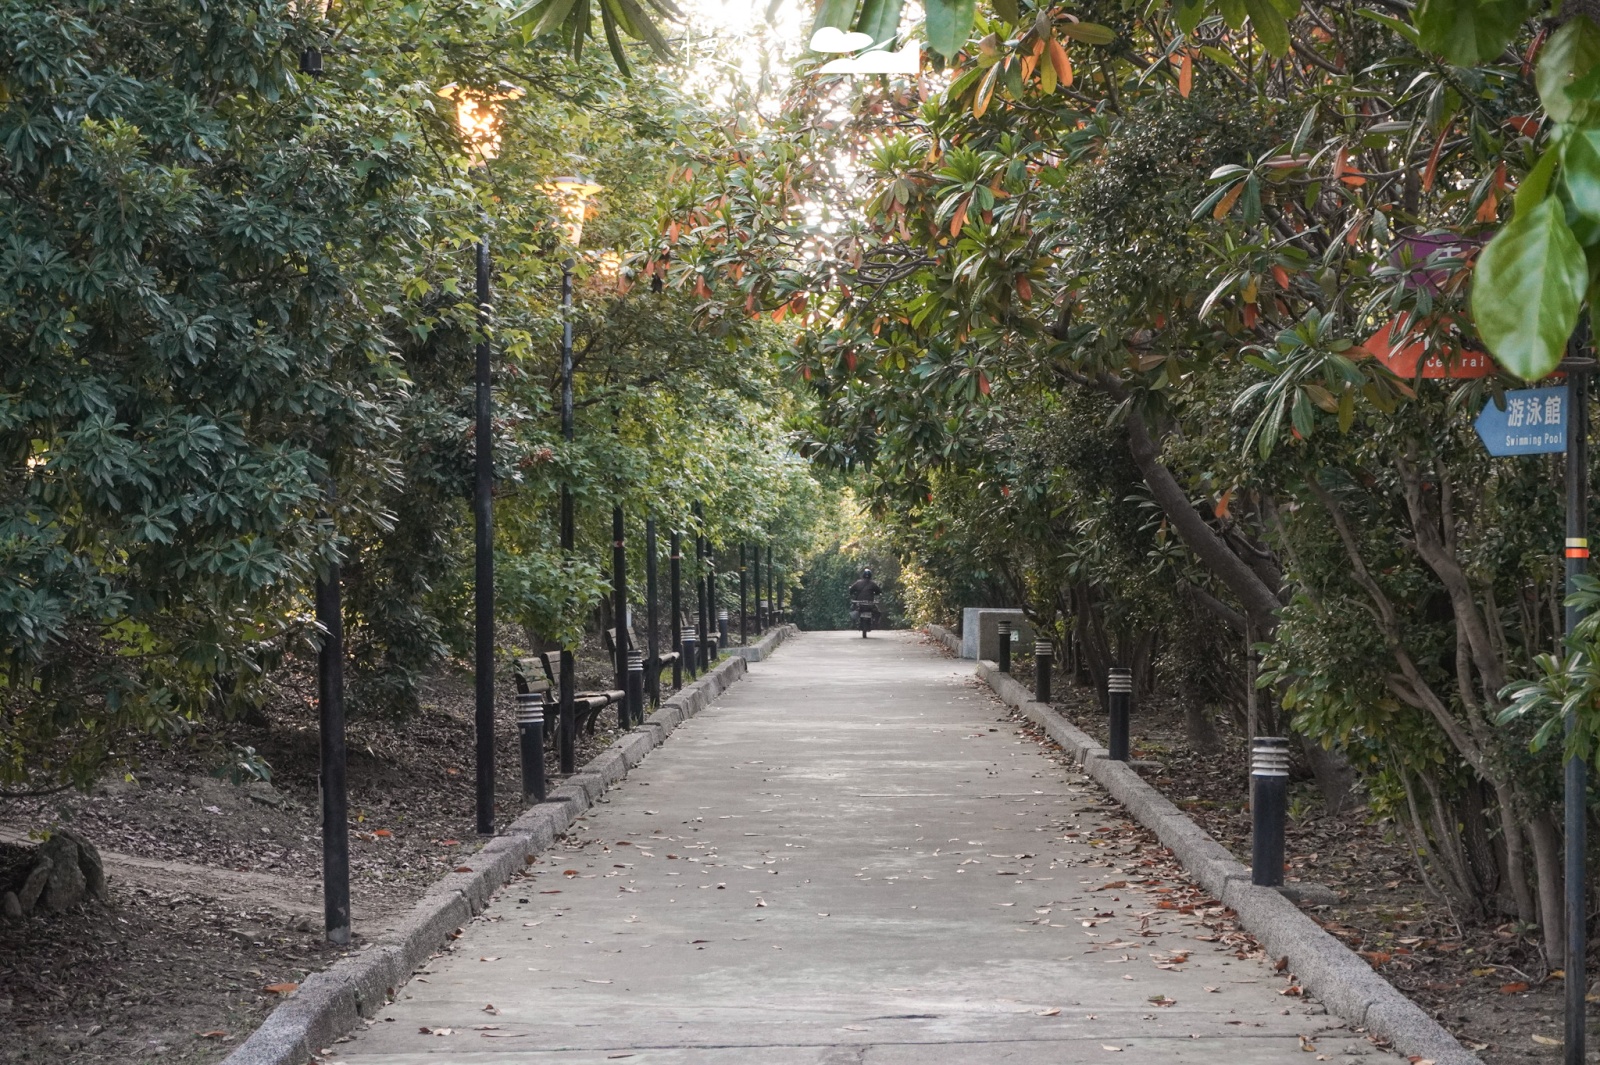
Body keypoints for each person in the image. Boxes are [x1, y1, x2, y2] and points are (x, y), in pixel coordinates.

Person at [848, 568, 881, 635]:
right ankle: (875, 624)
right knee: (878, 612)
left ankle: (853, 623)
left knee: (852, 608)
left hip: (860, 604)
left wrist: (852, 593)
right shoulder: (873, 584)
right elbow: (879, 591)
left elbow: (851, 590)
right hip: (870, 604)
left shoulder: (858, 583)